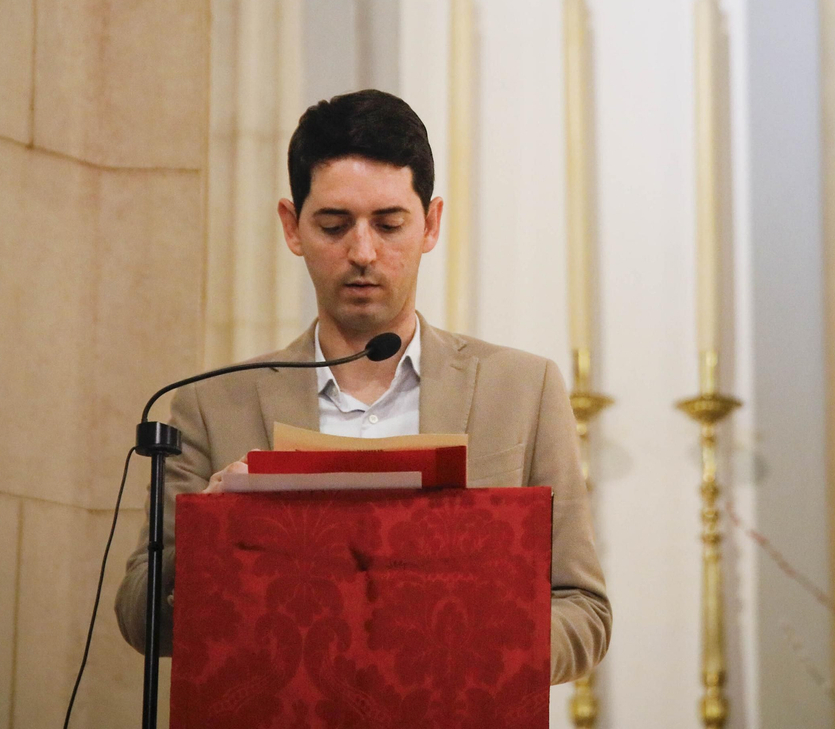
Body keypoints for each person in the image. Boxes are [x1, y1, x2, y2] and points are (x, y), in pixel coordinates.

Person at [115, 90, 610, 683]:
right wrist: (212, 535)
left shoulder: (522, 391)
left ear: (430, 225)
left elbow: (585, 609)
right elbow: (138, 615)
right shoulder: (213, 402)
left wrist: (483, 641)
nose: (363, 252)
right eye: (334, 224)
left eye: (389, 223)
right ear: (291, 226)